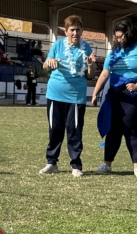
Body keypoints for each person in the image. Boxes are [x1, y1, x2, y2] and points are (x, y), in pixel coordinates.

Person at [92, 20, 137, 177]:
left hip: (136, 93)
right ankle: (107, 164)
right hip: (115, 93)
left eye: (121, 37)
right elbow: (104, 73)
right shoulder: (116, 51)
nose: (119, 40)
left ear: (129, 34)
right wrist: (95, 93)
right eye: (116, 37)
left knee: (132, 127)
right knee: (113, 127)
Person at [38, 15, 96, 177]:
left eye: (78, 30)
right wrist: (48, 63)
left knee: (74, 131)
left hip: (76, 97)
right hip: (55, 94)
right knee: (55, 129)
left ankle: (76, 165)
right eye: (72, 30)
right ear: (66, 31)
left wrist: (91, 65)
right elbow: (45, 66)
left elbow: (91, 75)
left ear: (82, 31)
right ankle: (51, 163)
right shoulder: (57, 45)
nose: (75, 33)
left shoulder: (87, 49)